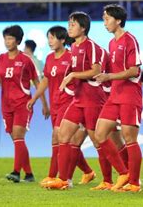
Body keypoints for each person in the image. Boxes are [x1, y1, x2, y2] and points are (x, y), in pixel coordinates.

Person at [45, 12, 111, 190]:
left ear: (83, 28)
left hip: (93, 99)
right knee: (63, 135)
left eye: (73, 24)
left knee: (99, 140)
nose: (69, 27)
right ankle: (64, 179)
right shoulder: (73, 47)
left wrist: (73, 75)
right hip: (78, 98)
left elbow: (95, 71)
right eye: (69, 24)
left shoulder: (92, 46)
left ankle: (109, 180)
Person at [27, 26, 95, 188]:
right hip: (55, 103)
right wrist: (35, 98)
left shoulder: (72, 56)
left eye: (52, 38)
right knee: (67, 141)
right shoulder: (50, 58)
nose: (50, 41)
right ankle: (87, 171)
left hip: (70, 101)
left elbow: (84, 76)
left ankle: (54, 176)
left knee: (58, 137)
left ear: (63, 40)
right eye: (48, 38)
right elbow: (46, 80)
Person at [0, 25, 50, 183]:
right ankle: (29, 174)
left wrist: (44, 104)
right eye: (5, 38)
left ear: (18, 40)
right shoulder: (0, 59)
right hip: (6, 105)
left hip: (23, 104)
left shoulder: (26, 60)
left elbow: (37, 82)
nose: (7, 42)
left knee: (18, 137)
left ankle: (16, 172)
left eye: (10, 39)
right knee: (17, 140)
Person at [94, 4, 143, 193]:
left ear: (118, 20)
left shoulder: (130, 40)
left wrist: (108, 77)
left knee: (130, 138)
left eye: (107, 19)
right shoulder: (112, 43)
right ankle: (124, 172)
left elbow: (134, 70)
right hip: (114, 95)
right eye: (103, 19)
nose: (104, 23)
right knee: (100, 134)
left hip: (130, 96)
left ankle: (135, 184)